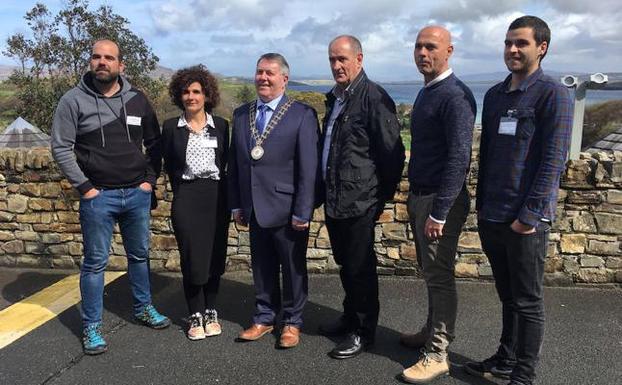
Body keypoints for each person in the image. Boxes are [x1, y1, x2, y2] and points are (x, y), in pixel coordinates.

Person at [465, 16, 572, 385]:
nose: (512, 49)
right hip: (493, 214)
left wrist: (530, 215)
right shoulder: (495, 95)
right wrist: (481, 208)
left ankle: (523, 375)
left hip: (526, 219)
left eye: (521, 43)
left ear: (541, 47)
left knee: (528, 301)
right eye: (509, 42)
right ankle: (505, 358)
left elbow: (554, 160)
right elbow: (491, 155)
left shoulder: (554, 94)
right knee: (507, 296)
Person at [51, 39, 170, 355]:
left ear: (121, 65)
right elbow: (61, 147)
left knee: (140, 256)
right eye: (96, 56)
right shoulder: (72, 101)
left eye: (109, 57)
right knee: (94, 263)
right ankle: (92, 326)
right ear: (90, 62)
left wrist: (148, 181)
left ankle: (142, 307)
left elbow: (154, 143)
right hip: (98, 197)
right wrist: (85, 188)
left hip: (136, 194)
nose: (102, 61)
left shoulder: (137, 99)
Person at [318, 35, 405, 359]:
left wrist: (377, 197)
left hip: (360, 200)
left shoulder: (373, 97)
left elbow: (392, 155)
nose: (337, 66)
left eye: (342, 59)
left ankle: (364, 332)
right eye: (332, 60)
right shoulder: (336, 98)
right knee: (345, 264)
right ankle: (350, 317)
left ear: (359, 59)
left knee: (360, 269)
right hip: (336, 198)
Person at [400, 26, 476, 383]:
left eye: (431, 47)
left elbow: (460, 157)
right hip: (422, 195)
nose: (422, 53)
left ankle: (438, 352)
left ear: (449, 51)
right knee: (431, 273)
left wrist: (440, 211)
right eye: (418, 47)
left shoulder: (455, 96)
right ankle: (432, 331)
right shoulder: (428, 90)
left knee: (441, 277)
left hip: (438, 201)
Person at [228, 53, 319, 349]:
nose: (263, 78)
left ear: (284, 79)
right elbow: (236, 164)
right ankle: (264, 317)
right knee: (262, 267)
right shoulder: (241, 114)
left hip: (288, 208)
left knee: (292, 269)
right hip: (254, 206)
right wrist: (237, 204)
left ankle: (292, 322)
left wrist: (304, 210)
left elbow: (309, 168)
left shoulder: (302, 114)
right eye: (259, 72)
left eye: (269, 73)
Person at [161, 65, 229, 340]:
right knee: (192, 257)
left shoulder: (221, 126)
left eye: (196, 91)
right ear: (180, 96)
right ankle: (195, 314)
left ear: (206, 95)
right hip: (187, 196)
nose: (191, 97)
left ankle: (211, 310)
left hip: (216, 197)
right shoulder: (170, 128)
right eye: (186, 92)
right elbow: (167, 164)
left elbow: (226, 164)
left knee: (215, 256)